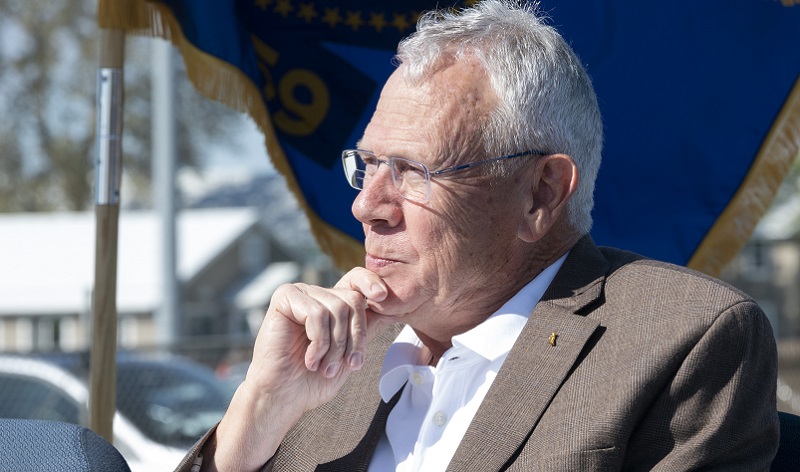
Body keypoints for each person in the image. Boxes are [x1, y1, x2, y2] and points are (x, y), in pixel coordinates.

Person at [176, 1, 779, 470]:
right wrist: (257, 413)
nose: (367, 206)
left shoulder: (680, 341)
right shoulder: (330, 363)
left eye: (413, 172)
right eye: (367, 165)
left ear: (541, 193)